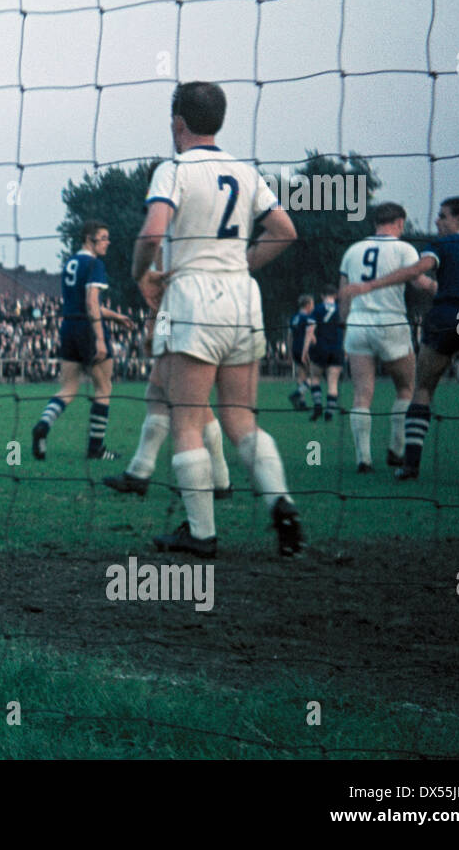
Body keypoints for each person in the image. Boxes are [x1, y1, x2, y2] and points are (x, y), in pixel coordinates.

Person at [135, 81, 302, 558]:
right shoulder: (245, 171)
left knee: (186, 418)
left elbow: (152, 232)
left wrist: (141, 274)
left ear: (178, 123)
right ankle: (281, 500)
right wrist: (242, 265)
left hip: (194, 299)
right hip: (244, 302)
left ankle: (202, 534)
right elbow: (285, 231)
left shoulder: (174, 168)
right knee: (240, 418)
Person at [341, 197, 459, 487]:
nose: (437, 221)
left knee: (421, 389)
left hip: (442, 318)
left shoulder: (440, 245)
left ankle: (408, 465)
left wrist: (370, 285)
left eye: (443, 216)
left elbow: (417, 270)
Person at [103, 249, 233, 499]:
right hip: (206, 312)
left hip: (184, 320)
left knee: (174, 395)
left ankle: (143, 473)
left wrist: (155, 330)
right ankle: (218, 480)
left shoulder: (168, 238)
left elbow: (165, 291)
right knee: (170, 395)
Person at [337, 202, 436, 473]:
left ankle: (363, 458)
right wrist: (443, 290)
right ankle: (396, 449)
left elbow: (343, 293)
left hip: (358, 323)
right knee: (406, 388)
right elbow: (420, 282)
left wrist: (345, 325)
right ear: (400, 223)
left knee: (361, 394)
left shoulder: (353, 251)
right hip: (391, 321)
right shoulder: (404, 249)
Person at [31, 220, 136, 461]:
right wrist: (100, 338)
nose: (108, 242)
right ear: (90, 239)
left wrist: (116, 316)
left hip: (68, 326)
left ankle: (43, 425)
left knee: (68, 387)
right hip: (88, 329)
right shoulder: (94, 264)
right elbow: (91, 304)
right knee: (103, 388)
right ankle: (96, 449)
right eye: (104, 237)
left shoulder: (71, 263)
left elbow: (84, 304)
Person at [306, 284, 344, 421]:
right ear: (335, 295)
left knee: (315, 377)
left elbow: (310, 330)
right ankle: (330, 411)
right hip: (337, 349)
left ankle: (317, 405)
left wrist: (305, 350)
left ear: (322, 296)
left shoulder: (317, 309)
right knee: (332, 382)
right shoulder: (341, 310)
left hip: (320, 349)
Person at [287, 295, 316, 410]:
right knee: (314, 375)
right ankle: (297, 394)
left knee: (301, 375)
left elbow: (289, 336)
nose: (313, 307)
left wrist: (289, 352)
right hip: (305, 349)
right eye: (312, 304)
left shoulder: (294, 317)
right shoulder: (308, 318)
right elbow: (311, 336)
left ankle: (302, 403)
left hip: (295, 349)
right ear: (308, 305)